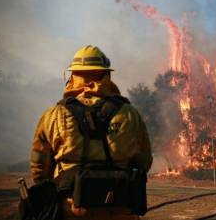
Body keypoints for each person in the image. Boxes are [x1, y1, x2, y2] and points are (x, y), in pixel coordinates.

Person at [30, 45, 153, 220]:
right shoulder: (130, 114)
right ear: (106, 75)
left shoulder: (53, 115)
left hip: (71, 209)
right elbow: (144, 161)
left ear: (72, 76)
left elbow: (39, 169)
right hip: (119, 207)